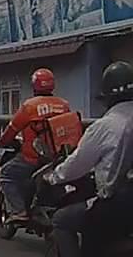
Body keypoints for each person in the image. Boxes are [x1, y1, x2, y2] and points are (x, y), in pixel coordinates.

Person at [44, 61, 133, 257]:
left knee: (61, 220)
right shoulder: (62, 106)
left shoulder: (105, 126)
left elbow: (77, 164)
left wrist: (54, 176)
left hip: (117, 204)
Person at [0, 67, 72, 222]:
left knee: (6, 175)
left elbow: (11, 130)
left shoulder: (29, 106)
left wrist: (0, 142)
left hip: (33, 159)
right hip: (58, 157)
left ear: (34, 85)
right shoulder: (63, 105)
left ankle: (19, 211)